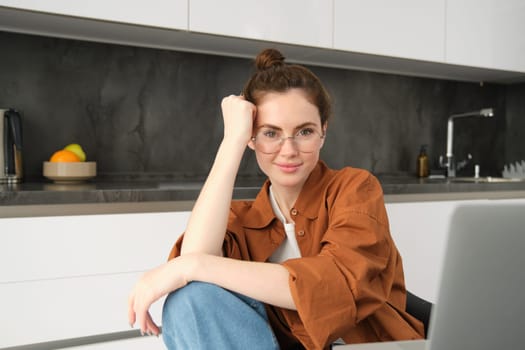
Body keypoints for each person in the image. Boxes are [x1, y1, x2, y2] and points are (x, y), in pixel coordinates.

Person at [128, 48, 424, 350]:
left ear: (323, 131)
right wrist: (232, 141)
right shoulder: (240, 220)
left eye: (304, 131)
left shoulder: (355, 188)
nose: (288, 150)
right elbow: (196, 278)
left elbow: (335, 285)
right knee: (188, 299)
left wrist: (189, 267)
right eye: (270, 133)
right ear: (251, 138)